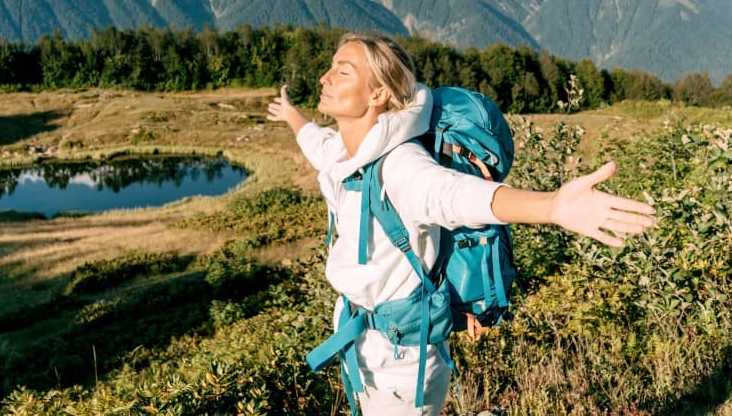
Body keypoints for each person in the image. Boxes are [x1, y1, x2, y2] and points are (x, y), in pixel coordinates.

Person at [266, 33, 656, 415]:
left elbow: (458, 196)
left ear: (378, 94)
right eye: (331, 68)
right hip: (363, 346)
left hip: (402, 368)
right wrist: (291, 115)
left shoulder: (400, 167)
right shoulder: (343, 153)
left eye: (343, 72)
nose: (325, 78)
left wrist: (552, 206)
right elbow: (316, 143)